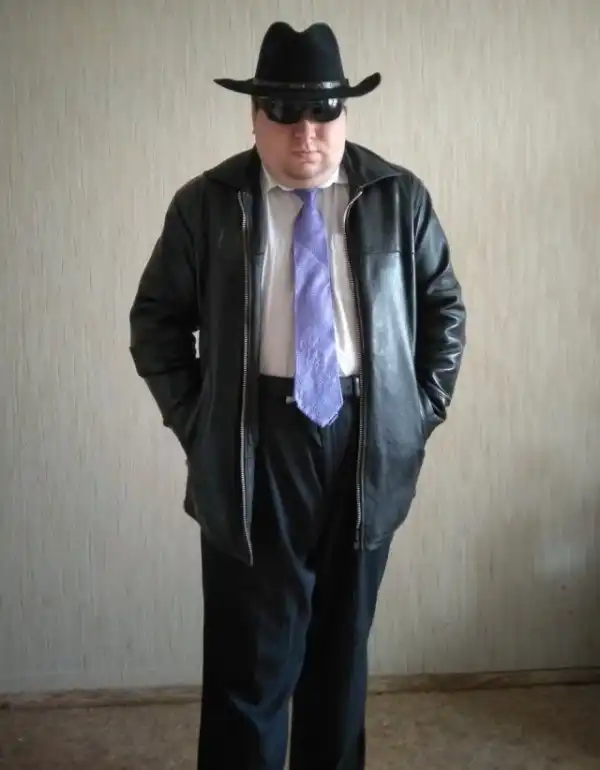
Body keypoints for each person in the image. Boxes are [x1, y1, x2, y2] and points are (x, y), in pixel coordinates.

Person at [129, 20, 466, 770]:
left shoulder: (398, 198)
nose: (305, 132)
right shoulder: (206, 205)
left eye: (323, 110)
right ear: (254, 116)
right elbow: (155, 322)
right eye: (283, 110)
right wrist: (200, 423)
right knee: (250, 665)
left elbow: (443, 308)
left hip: (365, 442)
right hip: (254, 447)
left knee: (339, 659)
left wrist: (418, 415)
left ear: (344, 113)